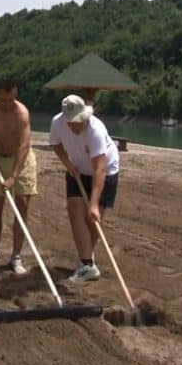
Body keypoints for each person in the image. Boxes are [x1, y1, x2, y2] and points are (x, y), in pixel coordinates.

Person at [49, 95, 120, 282]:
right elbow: (55, 144)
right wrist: (67, 163)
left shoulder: (95, 129)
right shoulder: (57, 123)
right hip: (77, 169)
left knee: (93, 218)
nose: (77, 125)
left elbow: (100, 168)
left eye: (79, 121)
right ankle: (87, 264)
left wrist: (94, 204)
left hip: (105, 171)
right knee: (74, 209)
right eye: (73, 122)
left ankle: (87, 256)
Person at [0, 78, 37, 275]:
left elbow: (24, 146)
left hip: (23, 159)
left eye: (11, 100)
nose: (8, 104)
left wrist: (13, 176)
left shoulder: (22, 113)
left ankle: (16, 256)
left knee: (22, 205)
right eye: (3, 100)